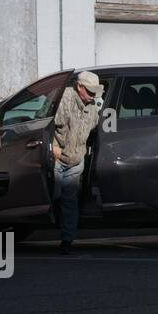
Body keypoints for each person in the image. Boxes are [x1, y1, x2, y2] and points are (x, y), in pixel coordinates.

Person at [51, 71, 103, 255]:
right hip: (58, 158)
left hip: (76, 160)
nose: (93, 96)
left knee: (69, 201)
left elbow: (96, 129)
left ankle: (67, 241)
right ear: (79, 86)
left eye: (95, 92)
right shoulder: (64, 99)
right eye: (90, 92)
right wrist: (52, 146)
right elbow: (47, 122)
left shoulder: (93, 108)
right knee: (55, 196)